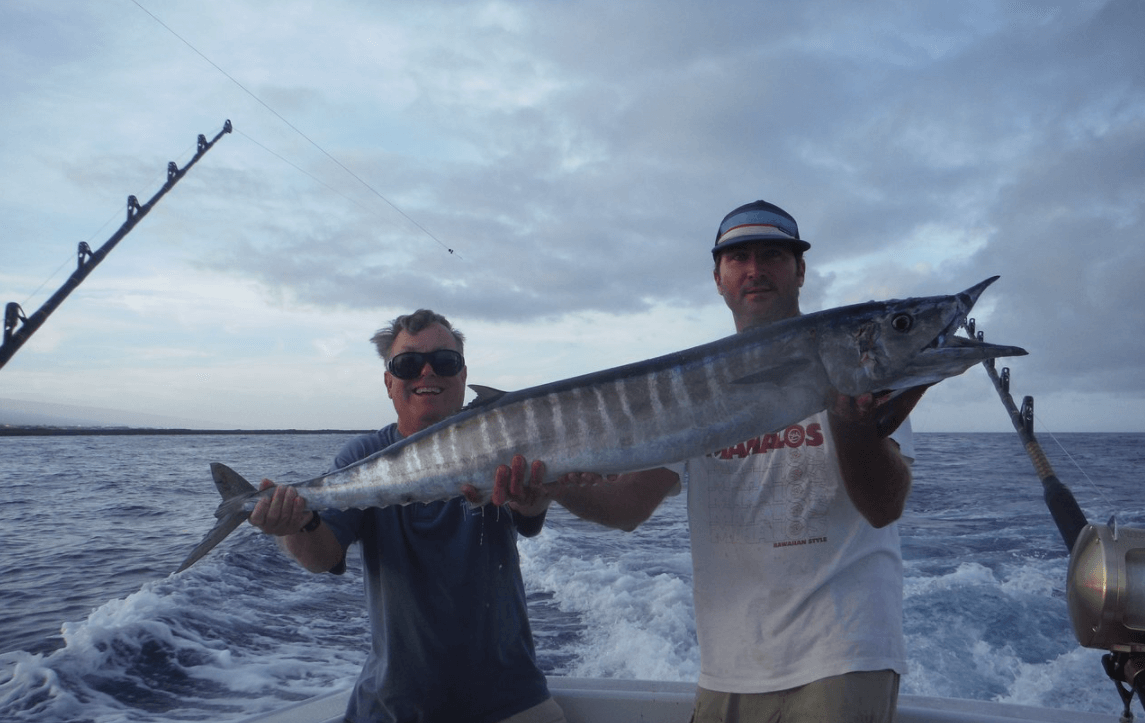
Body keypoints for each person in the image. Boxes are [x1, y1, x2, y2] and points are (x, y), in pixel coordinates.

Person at [497, 200, 927, 723]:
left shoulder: (858, 363)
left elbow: (883, 506)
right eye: (737, 258)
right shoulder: (691, 389)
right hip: (728, 670)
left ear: (800, 271)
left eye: (772, 254)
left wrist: (852, 421)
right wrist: (554, 485)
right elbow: (629, 505)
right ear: (718, 278)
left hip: (843, 653)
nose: (754, 269)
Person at [248, 309, 567, 723]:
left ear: (464, 374)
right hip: (395, 707)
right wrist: (299, 523)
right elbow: (321, 557)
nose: (427, 372)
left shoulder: (505, 438)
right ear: (388, 381)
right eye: (409, 363)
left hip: (512, 700)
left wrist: (532, 496)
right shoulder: (362, 456)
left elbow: (528, 514)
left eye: (445, 361)